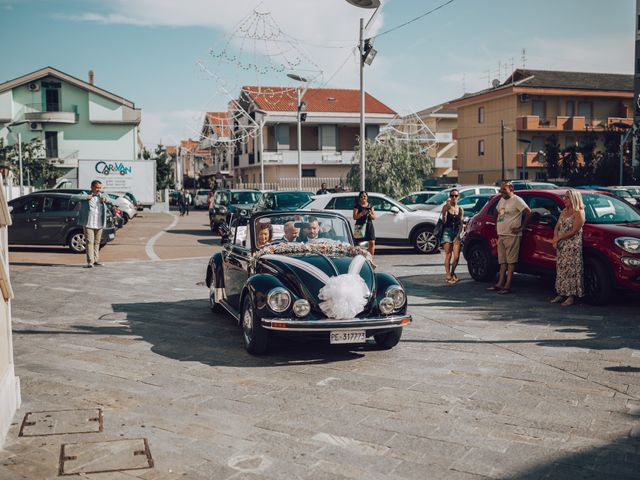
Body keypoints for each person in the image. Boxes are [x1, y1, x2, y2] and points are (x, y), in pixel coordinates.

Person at [487, 181, 532, 294]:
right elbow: (496, 212)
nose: (502, 192)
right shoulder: (502, 199)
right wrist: (496, 225)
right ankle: (499, 284)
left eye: (504, 190)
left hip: (512, 235)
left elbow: (528, 212)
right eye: (501, 190)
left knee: (511, 262)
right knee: (502, 262)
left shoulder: (517, 200)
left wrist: (521, 227)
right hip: (501, 234)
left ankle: (507, 286)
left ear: (511, 189)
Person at [551, 189, 585, 306]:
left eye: (567, 197)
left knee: (571, 270)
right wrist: (555, 238)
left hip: (572, 245)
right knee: (561, 269)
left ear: (574, 199)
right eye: (565, 197)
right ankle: (561, 293)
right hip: (562, 245)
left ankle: (571, 296)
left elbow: (574, 231)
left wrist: (558, 238)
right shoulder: (564, 211)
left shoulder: (579, 212)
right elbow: (557, 226)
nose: (564, 199)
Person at [72, 180, 112, 268]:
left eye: (100, 188)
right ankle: (90, 262)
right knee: (90, 242)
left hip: (99, 223)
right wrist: (85, 197)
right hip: (88, 223)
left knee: (97, 242)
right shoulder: (85, 194)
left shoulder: (103, 195)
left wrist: (106, 199)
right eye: (97, 187)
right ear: (92, 187)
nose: (99, 190)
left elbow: (111, 200)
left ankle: (96, 260)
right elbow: (73, 198)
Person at [440, 189, 464, 284]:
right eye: (452, 195)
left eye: (456, 196)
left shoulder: (461, 209)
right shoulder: (446, 207)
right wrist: (445, 210)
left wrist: (458, 235)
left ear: (459, 197)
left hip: (456, 233)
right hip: (447, 232)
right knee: (448, 254)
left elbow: (461, 224)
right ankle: (448, 275)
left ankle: (453, 272)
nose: (454, 197)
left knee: (457, 256)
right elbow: (443, 221)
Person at [353, 191, 376, 258]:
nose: (363, 197)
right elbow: (355, 217)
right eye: (361, 196)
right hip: (360, 226)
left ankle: (370, 259)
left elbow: (374, 217)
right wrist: (362, 213)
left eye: (364, 196)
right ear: (359, 198)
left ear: (367, 197)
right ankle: (362, 259)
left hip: (369, 226)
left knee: (372, 242)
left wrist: (370, 214)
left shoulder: (370, 206)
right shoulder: (357, 206)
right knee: (361, 244)